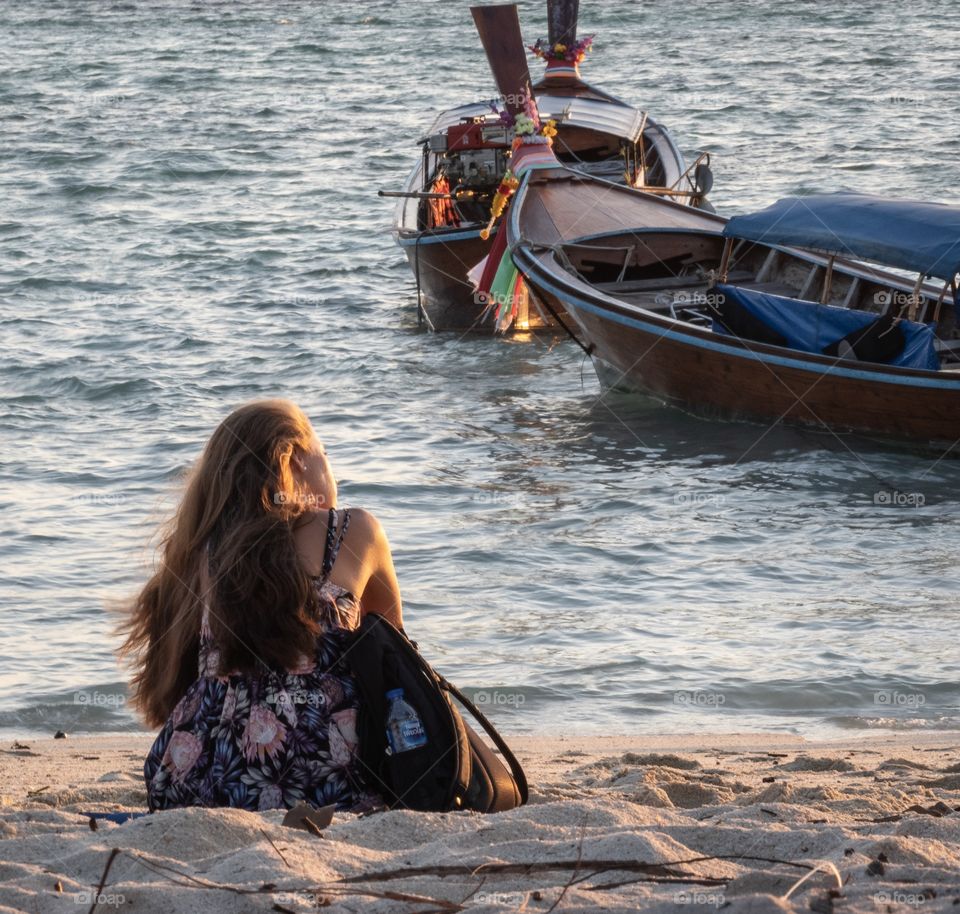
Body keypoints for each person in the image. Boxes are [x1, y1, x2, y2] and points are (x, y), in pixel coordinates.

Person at [118, 399, 402, 812]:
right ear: (299, 461)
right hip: (322, 774)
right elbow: (398, 655)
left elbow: (182, 683)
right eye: (325, 454)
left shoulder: (204, 552)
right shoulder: (352, 530)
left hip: (198, 776)